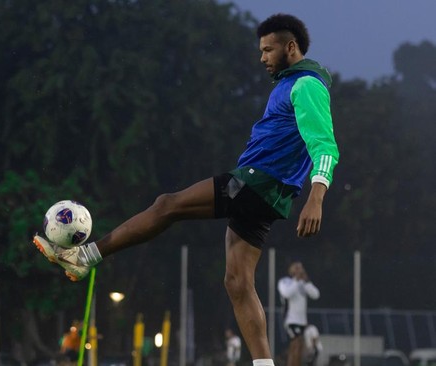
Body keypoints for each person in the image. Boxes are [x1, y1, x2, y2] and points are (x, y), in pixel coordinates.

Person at [34, 13, 339, 366]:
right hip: (266, 193)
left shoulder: (307, 86)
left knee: (167, 205)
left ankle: (85, 257)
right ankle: (264, 364)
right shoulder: (290, 84)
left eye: (268, 50)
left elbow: (326, 147)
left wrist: (316, 197)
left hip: (257, 182)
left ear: (291, 47)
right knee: (237, 282)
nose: (262, 58)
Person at [277, 262, 320, 366]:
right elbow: (286, 293)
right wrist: (296, 280)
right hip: (291, 319)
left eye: (301, 268)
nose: (299, 270)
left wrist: (306, 281)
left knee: (299, 346)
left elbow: (315, 295)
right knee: (296, 343)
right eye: (296, 267)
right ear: (291, 270)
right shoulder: (286, 281)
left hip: (302, 321)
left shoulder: (303, 283)